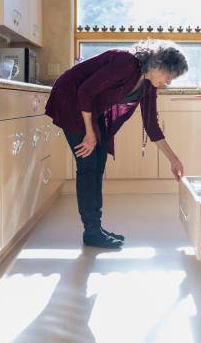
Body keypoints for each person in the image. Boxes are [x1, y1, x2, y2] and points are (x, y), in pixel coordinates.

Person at [45, 40, 189, 249]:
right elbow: (85, 91)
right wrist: (89, 132)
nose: (168, 82)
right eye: (169, 76)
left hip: (91, 109)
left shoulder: (148, 85)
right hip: (71, 100)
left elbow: (151, 124)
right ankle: (92, 232)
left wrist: (173, 159)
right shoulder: (126, 63)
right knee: (88, 166)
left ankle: (95, 228)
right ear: (158, 64)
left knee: (99, 163)